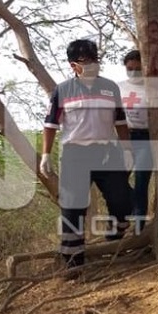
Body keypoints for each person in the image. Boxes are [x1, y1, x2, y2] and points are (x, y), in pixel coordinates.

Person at [39, 39, 134, 272]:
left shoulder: (110, 88)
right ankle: (73, 264)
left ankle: (114, 243)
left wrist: (127, 150)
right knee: (73, 208)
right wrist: (46, 155)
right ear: (73, 65)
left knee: (123, 200)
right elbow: (50, 125)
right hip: (75, 155)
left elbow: (120, 122)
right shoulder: (63, 90)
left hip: (107, 153)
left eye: (94, 60)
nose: (92, 65)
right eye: (85, 61)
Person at [118, 50, 152, 231]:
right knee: (115, 179)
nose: (133, 72)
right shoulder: (119, 88)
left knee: (141, 182)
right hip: (124, 137)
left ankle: (139, 228)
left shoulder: (152, 89)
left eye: (138, 69)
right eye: (129, 69)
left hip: (146, 139)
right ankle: (131, 209)